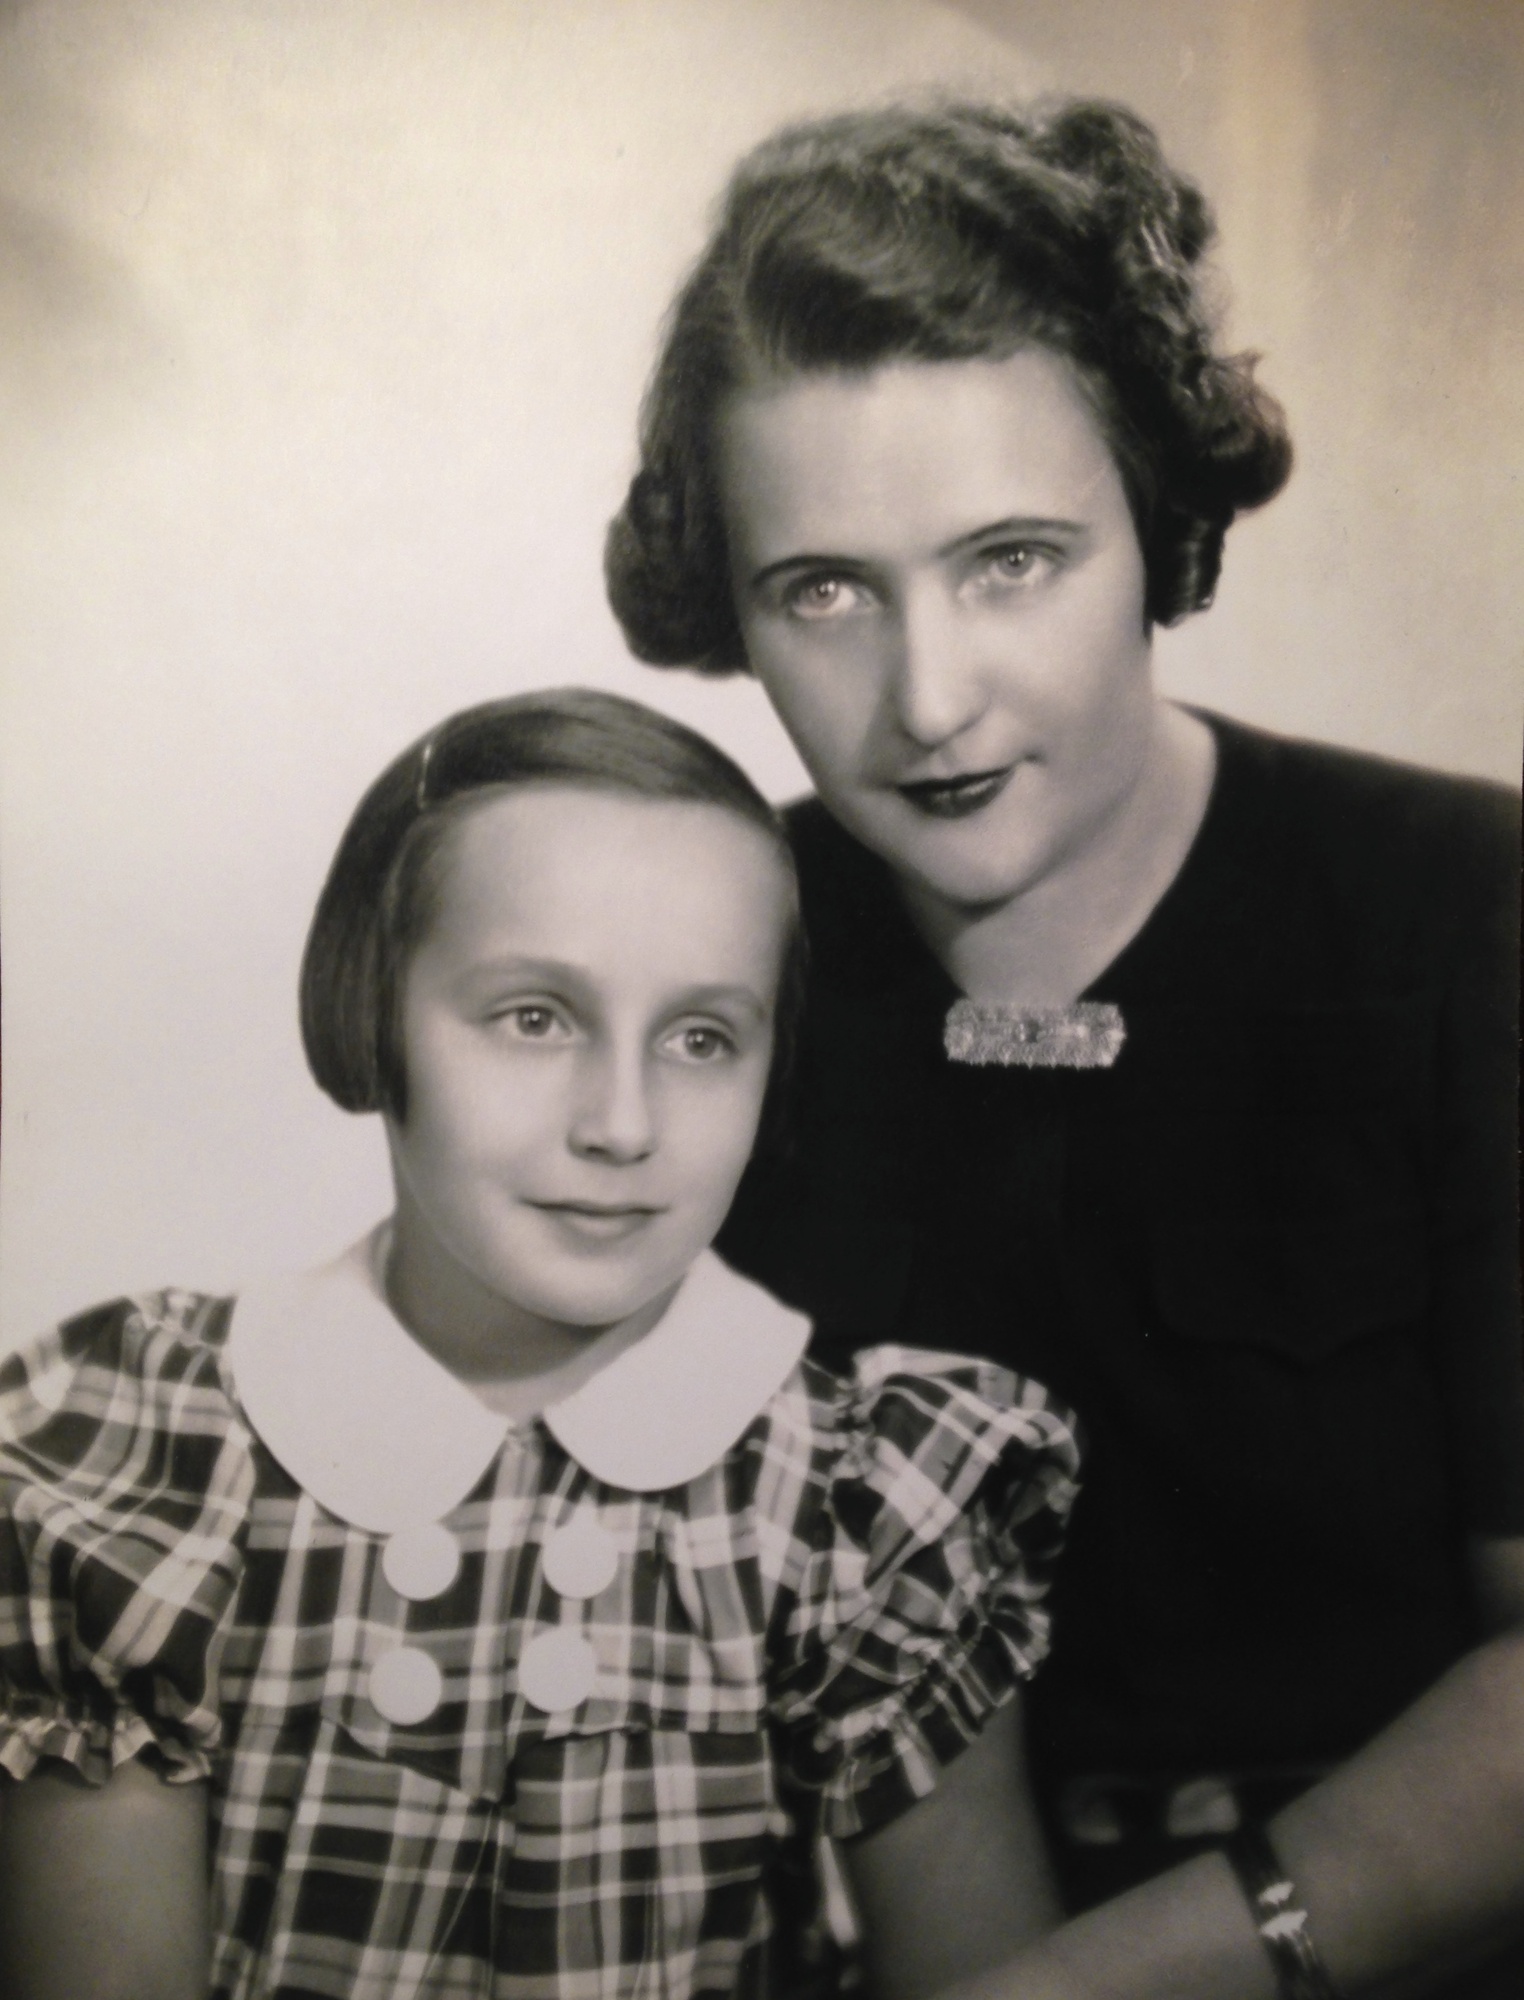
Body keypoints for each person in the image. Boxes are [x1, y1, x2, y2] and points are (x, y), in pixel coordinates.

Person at [605, 99, 1524, 1996]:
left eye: (1011, 560)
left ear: (1161, 525)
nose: (929, 699)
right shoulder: (695, 970)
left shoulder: (1470, 913)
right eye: (825, 590)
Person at [0, 689, 1083, 1999]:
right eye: (534, 1017)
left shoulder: (859, 1500)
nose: (622, 1124)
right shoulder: (154, 1449)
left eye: (701, 1038)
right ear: (370, 1007)